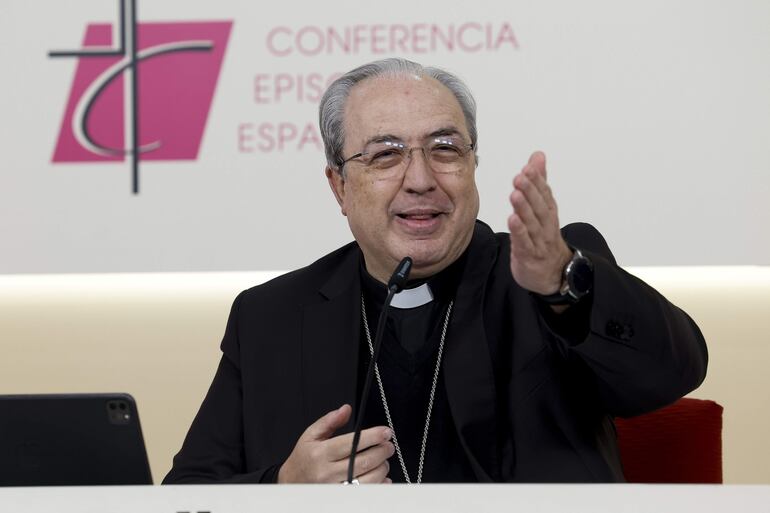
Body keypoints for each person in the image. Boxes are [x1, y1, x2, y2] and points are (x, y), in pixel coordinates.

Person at [163, 58, 707, 484]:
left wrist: (565, 283)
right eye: (385, 155)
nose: (421, 179)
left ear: (472, 166)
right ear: (339, 187)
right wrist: (283, 486)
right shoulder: (272, 317)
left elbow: (671, 374)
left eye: (445, 149)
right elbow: (189, 489)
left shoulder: (550, 274)